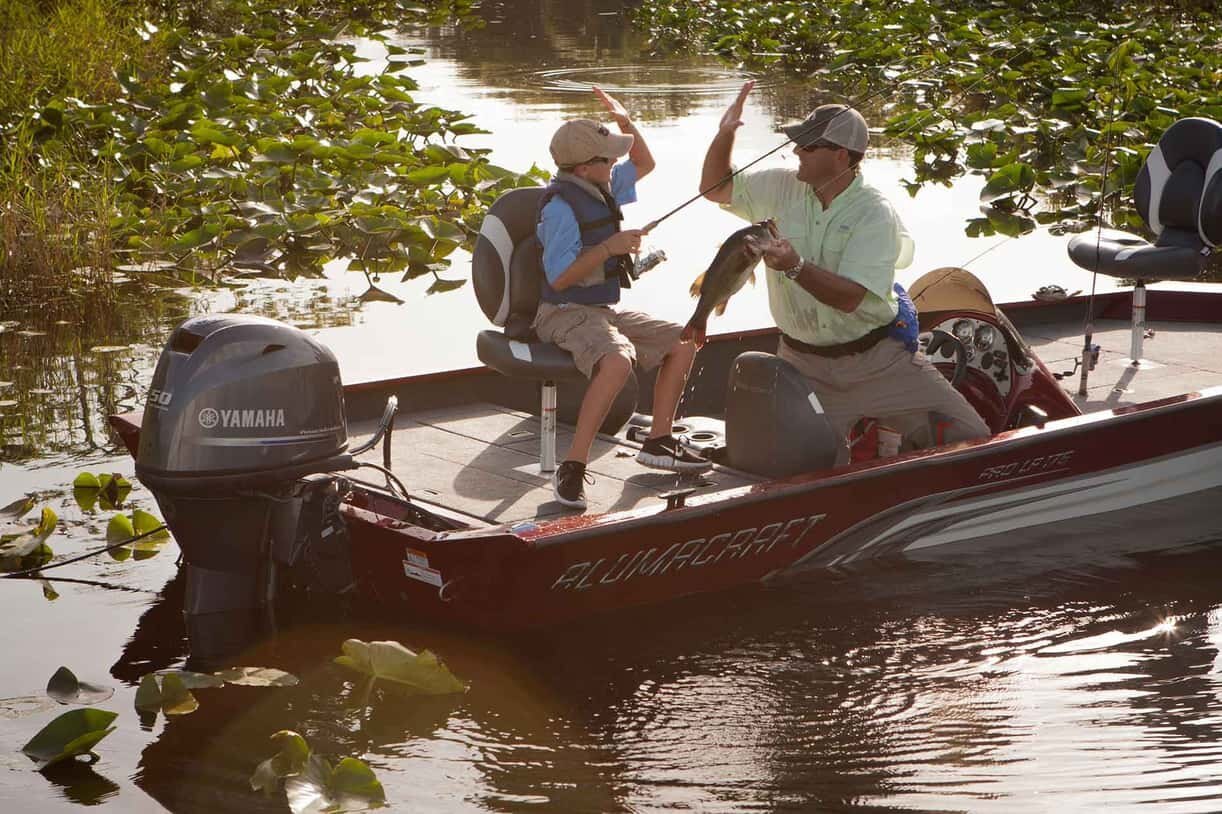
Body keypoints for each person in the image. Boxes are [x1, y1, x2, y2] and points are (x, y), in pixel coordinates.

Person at [700, 81, 989, 461]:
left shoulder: (874, 214)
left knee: (974, 438)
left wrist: (795, 267)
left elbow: (850, 298)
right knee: (806, 467)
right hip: (801, 365)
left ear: (840, 156)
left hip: (879, 363)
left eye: (808, 145)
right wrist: (724, 134)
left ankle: (902, 456)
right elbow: (714, 189)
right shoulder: (780, 184)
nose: (796, 150)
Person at [536, 87, 710, 510]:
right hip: (562, 312)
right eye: (608, 158)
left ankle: (659, 440)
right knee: (617, 361)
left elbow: (645, 162)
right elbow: (559, 279)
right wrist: (609, 248)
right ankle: (572, 466)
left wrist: (624, 121)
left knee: (684, 339)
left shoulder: (603, 185)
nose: (615, 163)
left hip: (600, 310)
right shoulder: (560, 208)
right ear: (584, 167)